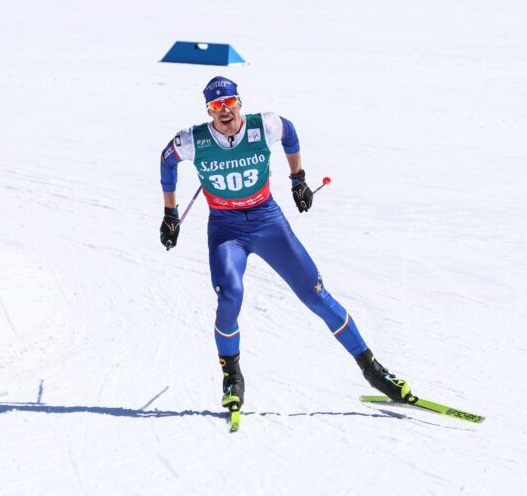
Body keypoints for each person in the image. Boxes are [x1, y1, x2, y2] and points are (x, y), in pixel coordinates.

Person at [160, 77, 411, 414]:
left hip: (268, 222)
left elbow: (290, 133)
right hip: (225, 230)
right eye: (215, 106)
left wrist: (298, 180)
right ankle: (232, 377)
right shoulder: (195, 139)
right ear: (208, 111)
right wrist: (170, 213)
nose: (224, 111)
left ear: (239, 103)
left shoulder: (264, 125)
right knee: (230, 295)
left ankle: (373, 370)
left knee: (315, 294)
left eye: (229, 102)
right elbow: (167, 160)